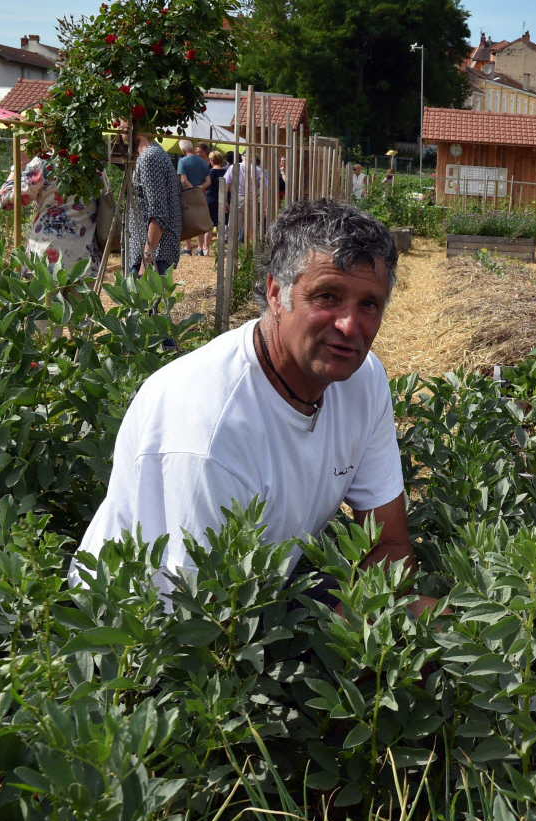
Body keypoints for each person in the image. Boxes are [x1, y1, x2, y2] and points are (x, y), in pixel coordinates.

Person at [74, 199, 429, 612]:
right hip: (148, 631)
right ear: (276, 293)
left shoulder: (362, 379)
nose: (349, 326)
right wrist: (357, 637)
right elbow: (200, 622)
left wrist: (367, 624)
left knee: (428, 621)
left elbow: (388, 543)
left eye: (368, 304)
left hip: (259, 592)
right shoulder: (209, 427)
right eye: (327, 296)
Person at [0, 149, 103, 275]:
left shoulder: (44, 162)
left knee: (45, 293)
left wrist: (18, 166)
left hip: (48, 251)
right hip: (85, 257)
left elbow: (6, 199)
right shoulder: (95, 163)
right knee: (80, 294)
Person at [127, 128, 181, 277]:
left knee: (146, 299)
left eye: (122, 119)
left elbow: (158, 213)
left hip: (154, 255)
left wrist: (146, 261)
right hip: (152, 252)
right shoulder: (153, 154)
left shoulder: (149, 158)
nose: (118, 127)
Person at [177, 138, 209, 256]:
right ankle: (200, 248)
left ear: (183, 150)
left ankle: (188, 247)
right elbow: (208, 181)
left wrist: (192, 190)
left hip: (187, 194)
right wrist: (199, 189)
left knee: (187, 220)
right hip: (201, 194)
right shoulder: (203, 163)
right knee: (199, 220)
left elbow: (183, 179)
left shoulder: (182, 161)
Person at [202, 150, 226, 257]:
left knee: (209, 226)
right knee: (221, 225)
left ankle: (206, 249)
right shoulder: (225, 172)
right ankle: (220, 248)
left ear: (212, 160)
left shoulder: (210, 172)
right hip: (222, 199)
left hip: (210, 199)